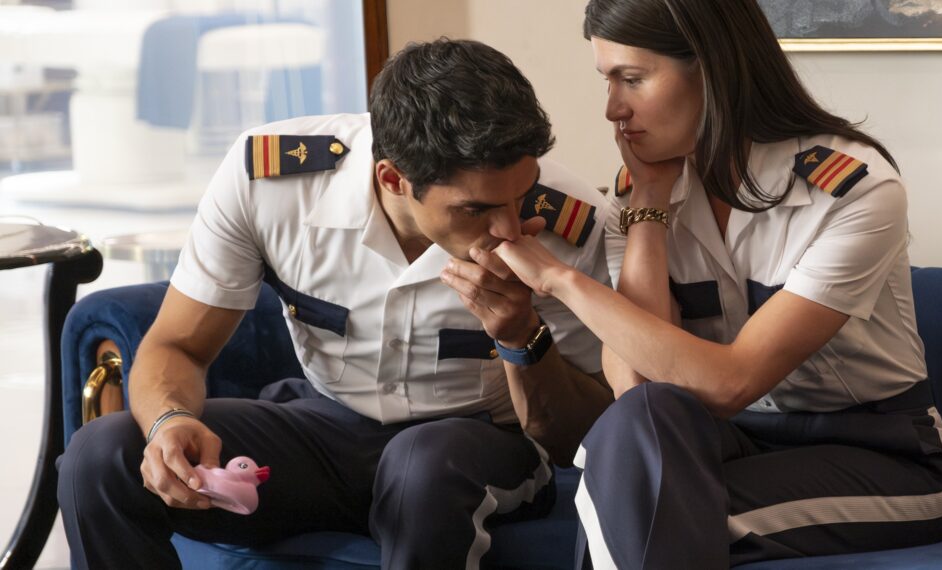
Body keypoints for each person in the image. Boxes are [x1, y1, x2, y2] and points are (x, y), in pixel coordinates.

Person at [57, 38, 614, 570]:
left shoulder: (571, 223)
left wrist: (523, 339)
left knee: (423, 466)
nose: (510, 228)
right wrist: (168, 422)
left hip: (477, 441)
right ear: (393, 178)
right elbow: (176, 345)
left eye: (519, 196)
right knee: (102, 454)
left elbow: (589, 431)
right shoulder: (270, 182)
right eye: (476, 210)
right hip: (325, 426)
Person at [493, 1, 942, 568]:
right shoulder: (641, 191)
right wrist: (647, 204)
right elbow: (637, 383)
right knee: (637, 430)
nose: (613, 109)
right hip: (729, 442)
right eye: (608, 80)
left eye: (633, 79)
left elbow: (730, 383)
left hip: (883, 452)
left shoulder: (854, 191)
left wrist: (559, 279)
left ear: (713, 71)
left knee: (641, 510)